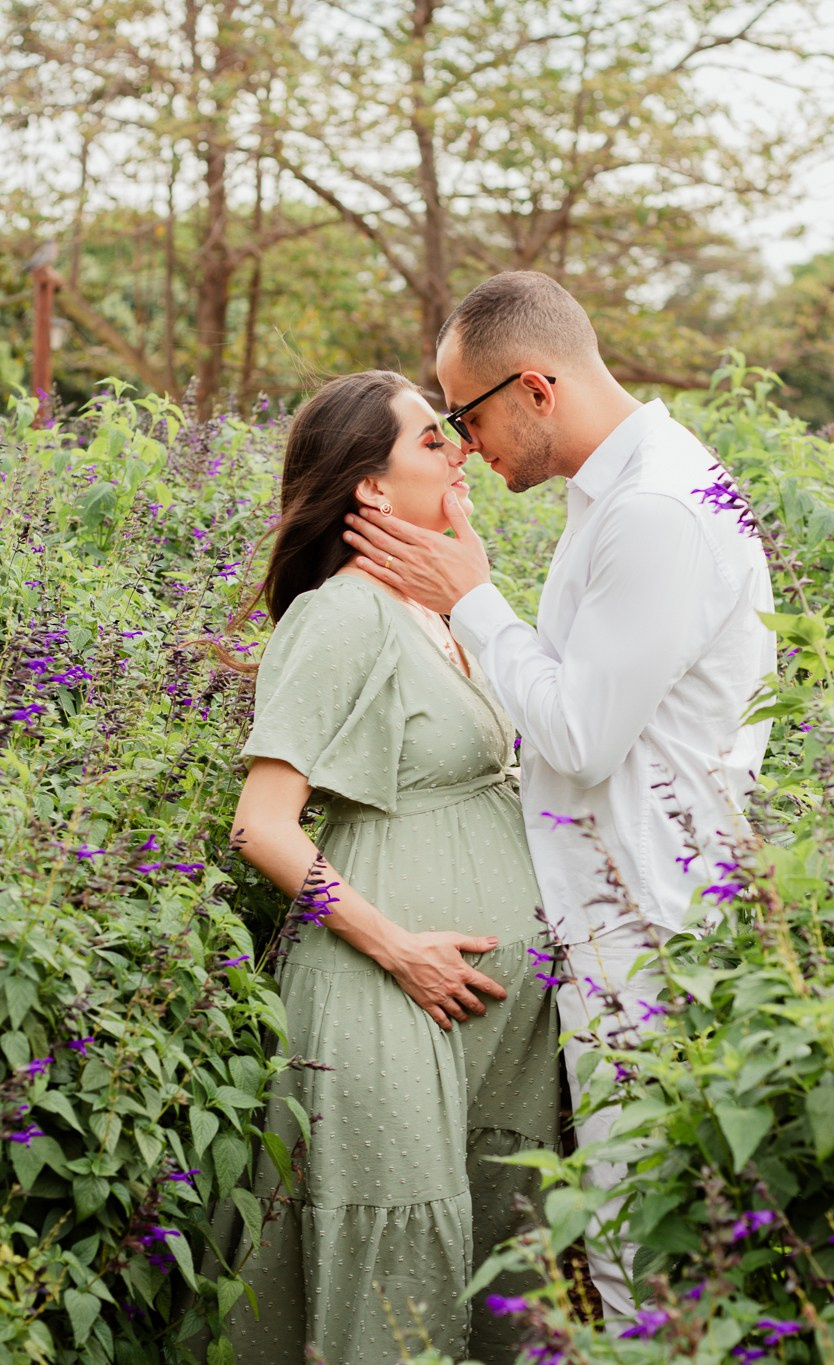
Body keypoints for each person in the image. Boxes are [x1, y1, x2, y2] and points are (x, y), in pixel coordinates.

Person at [342, 272, 776, 1327]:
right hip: (610, 917)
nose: (462, 443)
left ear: (535, 387)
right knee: (627, 1230)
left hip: (650, 928)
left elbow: (580, 736)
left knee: (646, 1238)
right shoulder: (619, 496)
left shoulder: (656, 513)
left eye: (467, 414)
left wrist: (471, 599)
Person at [221, 370, 560, 1365]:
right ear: (369, 488)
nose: (460, 447)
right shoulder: (339, 618)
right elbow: (263, 826)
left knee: (501, 1263)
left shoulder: (441, 613)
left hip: (494, 1016)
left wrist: (477, 580)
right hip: (387, 989)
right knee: (393, 1277)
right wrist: (399, 949)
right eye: (430, 440)